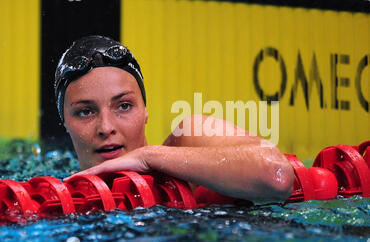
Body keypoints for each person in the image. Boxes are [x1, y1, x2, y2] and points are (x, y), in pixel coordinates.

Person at [54, 35, 294, 204]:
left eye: (124, 106)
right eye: (86, 111)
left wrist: (149, 158)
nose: (106, 127)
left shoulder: (188, 139)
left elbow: (277, 176)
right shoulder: (51, 198)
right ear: (64, 120)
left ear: (145, 110)